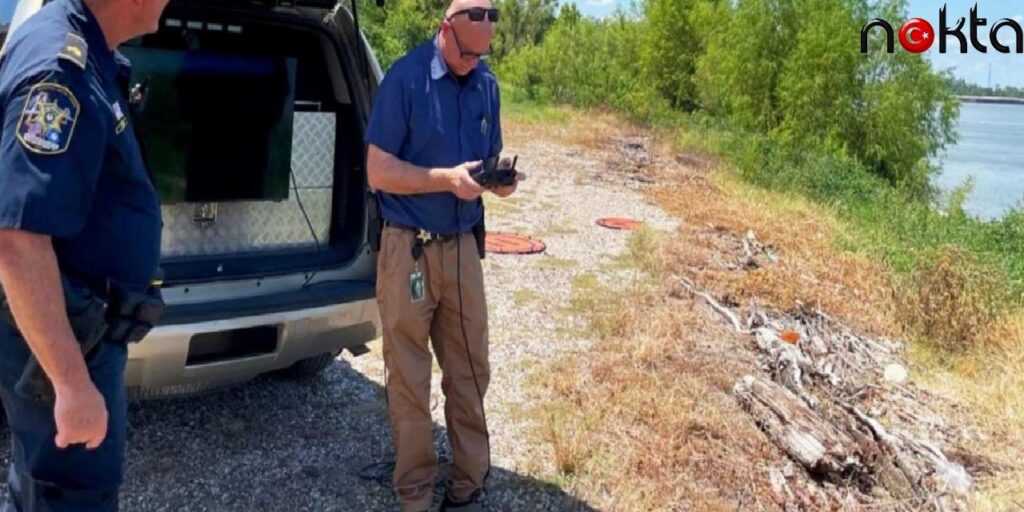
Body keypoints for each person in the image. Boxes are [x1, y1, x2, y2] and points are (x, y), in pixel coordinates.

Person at [0, 0, 168, 509]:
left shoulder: (92, 55)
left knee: (43, 486)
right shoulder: (61, 66)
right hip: (65, 342)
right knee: (69, 494)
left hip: (77, 330)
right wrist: (71, 384)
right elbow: (17, 239)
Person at [364, 0, 524, 510]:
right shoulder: (405, 79)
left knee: (471, 368)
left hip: (462, 251)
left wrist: (496, 183)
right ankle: (414, 492)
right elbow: (377, 171)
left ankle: (469, 481)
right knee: (409, 377)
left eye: (482, 54)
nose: (473, 62)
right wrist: (444, 180)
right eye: (465, 53)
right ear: (444, 31)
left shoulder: (487, 86)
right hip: (407, 249)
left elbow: (486, 159)